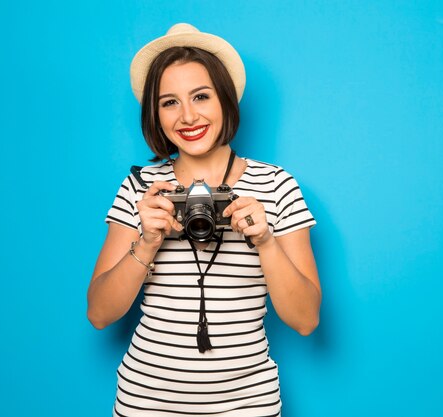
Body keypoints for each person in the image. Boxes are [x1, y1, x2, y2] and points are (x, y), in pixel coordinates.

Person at [87, 23, 321, 417]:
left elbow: (305, 320)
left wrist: (265, 242)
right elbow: (99, 314)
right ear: (155, 115)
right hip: (145, 403)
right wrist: (146, 242)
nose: (188, 116)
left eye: (201, 96)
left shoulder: (277, 184)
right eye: (169, 102)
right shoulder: (141, 188)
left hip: (249, 405)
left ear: (225, 100)